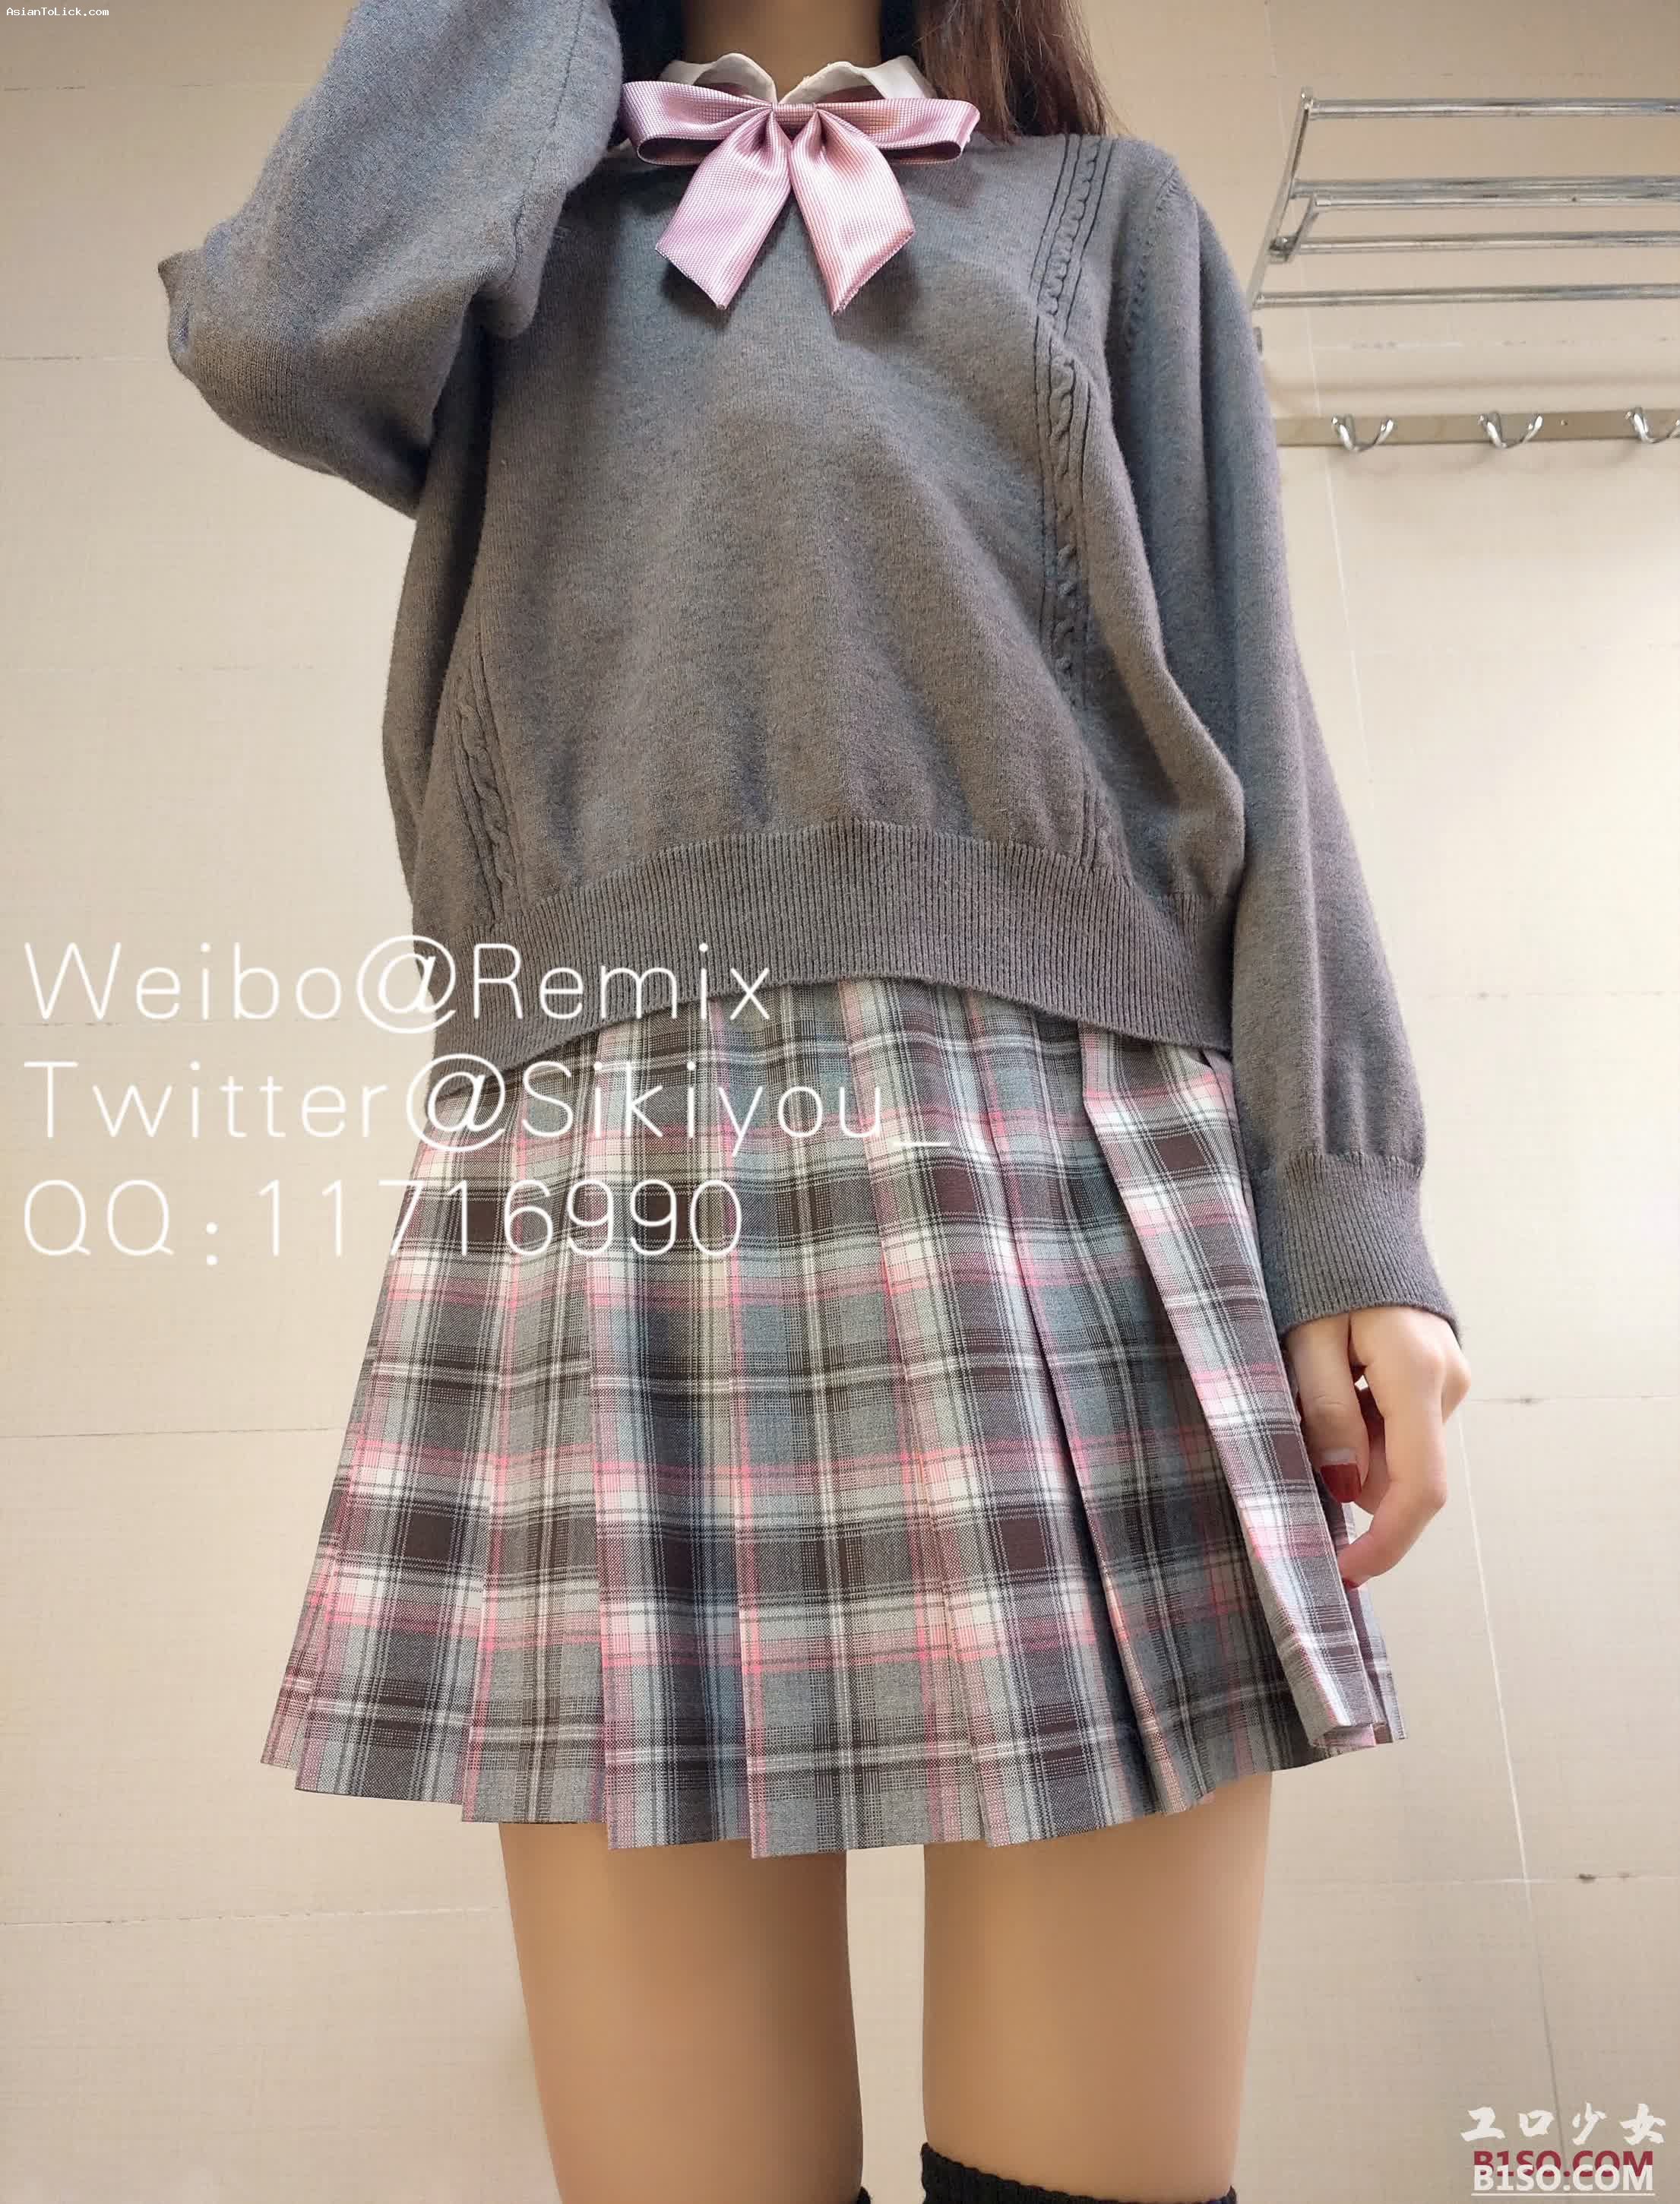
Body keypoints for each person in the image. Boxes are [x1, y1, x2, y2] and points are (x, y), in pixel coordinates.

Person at [156, 2, 1473, 2200]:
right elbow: (274, 333)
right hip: (610, 1158)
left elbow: (1253, 714)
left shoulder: (1101, 219)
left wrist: (1352, 1211)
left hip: (1051, 1145)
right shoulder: (498, 232)